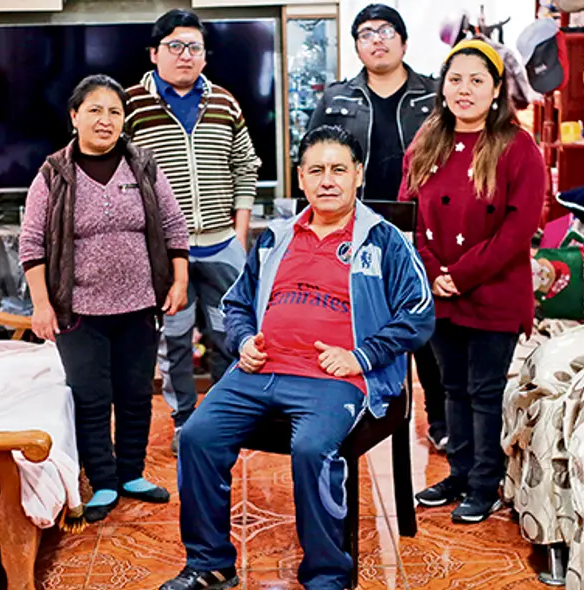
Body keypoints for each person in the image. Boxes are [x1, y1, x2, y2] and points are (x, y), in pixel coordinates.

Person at [159, 125, 434, 590]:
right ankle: (211, 563)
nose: (327, 180)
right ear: (301, 178)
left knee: (312, 449)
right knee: (197, 436)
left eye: (338, 169)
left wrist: (362, 356)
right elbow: (236, 303)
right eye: (316, 170)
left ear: (358, 174)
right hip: (260, 370)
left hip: (334, 378)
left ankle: (327, 576)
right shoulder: (276, 237)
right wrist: (243, 341)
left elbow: (419, 312)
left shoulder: (385, 241)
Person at [20, 74, 190, 523]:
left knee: (136, 395)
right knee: (91, 398)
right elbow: (32, 243)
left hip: (140, 306)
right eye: (94, 110)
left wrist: (179, 281)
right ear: (74, 116)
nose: (105, 120)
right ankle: (103, 480)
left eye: (115, 111)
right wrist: (41, 304)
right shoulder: (53, 174)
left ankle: (131, 473)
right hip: (78, 311)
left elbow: (174, 226)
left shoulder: (143, 166)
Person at [402, 39, 545, 523]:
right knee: (452, 388)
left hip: (493, 291)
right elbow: (408, 217)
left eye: (477, 80)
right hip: (437, 291)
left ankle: (486, 484)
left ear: (496, 89)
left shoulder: (518, 147)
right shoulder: (427, 141)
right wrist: (430, 271)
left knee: (485, 392)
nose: (464, 90)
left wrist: (459, 276)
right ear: (443, 87)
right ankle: (459, 474)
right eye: (456, 79)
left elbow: (517, 229)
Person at [307, 3, 448, 451]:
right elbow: (313, 158)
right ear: (356, 47)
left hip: (423, 227)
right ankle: (355, 410)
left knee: (424, 325)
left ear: (403, 41)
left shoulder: (435, 95)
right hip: (358, 228)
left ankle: (440, 419)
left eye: (386, 31)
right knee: (357, 320)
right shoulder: (337, 99)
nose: (377, 40)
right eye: (366, 33)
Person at [123, 9, 261, 455]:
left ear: (204, 55)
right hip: (167, 254)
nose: (186, 55)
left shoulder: (225, 102)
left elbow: (245, 167)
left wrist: (240, 234)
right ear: (154, 53)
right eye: (175, 46)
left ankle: (223, 418)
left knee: (230, 336)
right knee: (175, 342)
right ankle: (185, 422)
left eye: (194, 47)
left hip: (223, 245)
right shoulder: (129, 105)